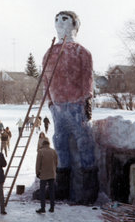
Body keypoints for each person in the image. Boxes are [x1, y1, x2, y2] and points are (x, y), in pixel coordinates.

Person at [42, 11, 99, 205]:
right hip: (57, 106)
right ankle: (62, 186)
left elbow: (87, 79)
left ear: (75, 25)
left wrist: (86, 100)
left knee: (84, 141)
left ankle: (88, 189)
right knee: (59, 141)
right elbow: (45, 80)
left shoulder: (82, 52)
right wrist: (50, 101)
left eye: (65, 19)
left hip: (76, 104)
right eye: (57, 19)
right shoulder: (49, 53)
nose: (60, 23)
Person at [35, 139, 58, 214]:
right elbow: (56, 162)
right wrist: (54, 170)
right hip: (52, 173)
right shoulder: (53, 151)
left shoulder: (41, 151)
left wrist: (37, 172)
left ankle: (43, 208)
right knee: (52, 191)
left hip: (44, 174)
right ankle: (52, 207)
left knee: (42, 191)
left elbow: (38, 163)